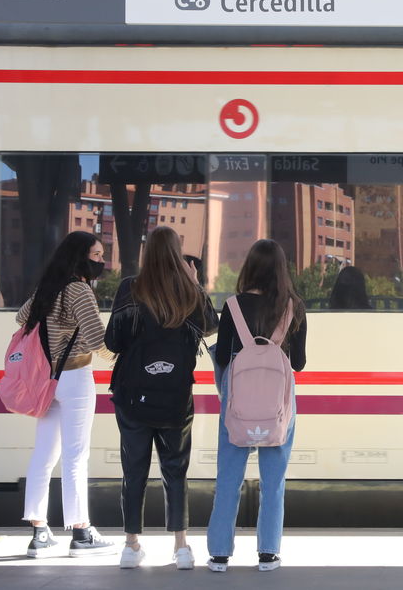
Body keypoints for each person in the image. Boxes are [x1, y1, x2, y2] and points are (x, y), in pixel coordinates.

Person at [105, 228, 218, 570]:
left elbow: (112, 341)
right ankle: (181, 548)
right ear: (176, 253)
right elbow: (212, 327)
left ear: (147, 253)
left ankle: (131, 545)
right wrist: (195, 283)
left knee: (134, 469)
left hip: (133, 398)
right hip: (176, 397)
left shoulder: (130, 287)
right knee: (176, 470)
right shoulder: (188, 290)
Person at [16, 230, 119, 558]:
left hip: (47, 379)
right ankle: (81, 532)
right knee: (76, 456)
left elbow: (21, 318)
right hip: (75, 379)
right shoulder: (80, 290)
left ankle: (39, 532)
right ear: (80, 256)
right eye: (97, 255)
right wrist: (125, 359)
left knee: (44, 454)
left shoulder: (50, 287)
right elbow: (96, 341)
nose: (101, 261)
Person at [206, 240, 308, 573]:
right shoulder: (294, 307)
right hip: (278, 405)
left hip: (238, 402)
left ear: (249, 267)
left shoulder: (232, 306)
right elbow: (300, 364)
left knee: (228, 480)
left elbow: (222, 358)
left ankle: (220, 554)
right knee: (273, 482)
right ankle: (268, 553)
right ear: (281, 269)